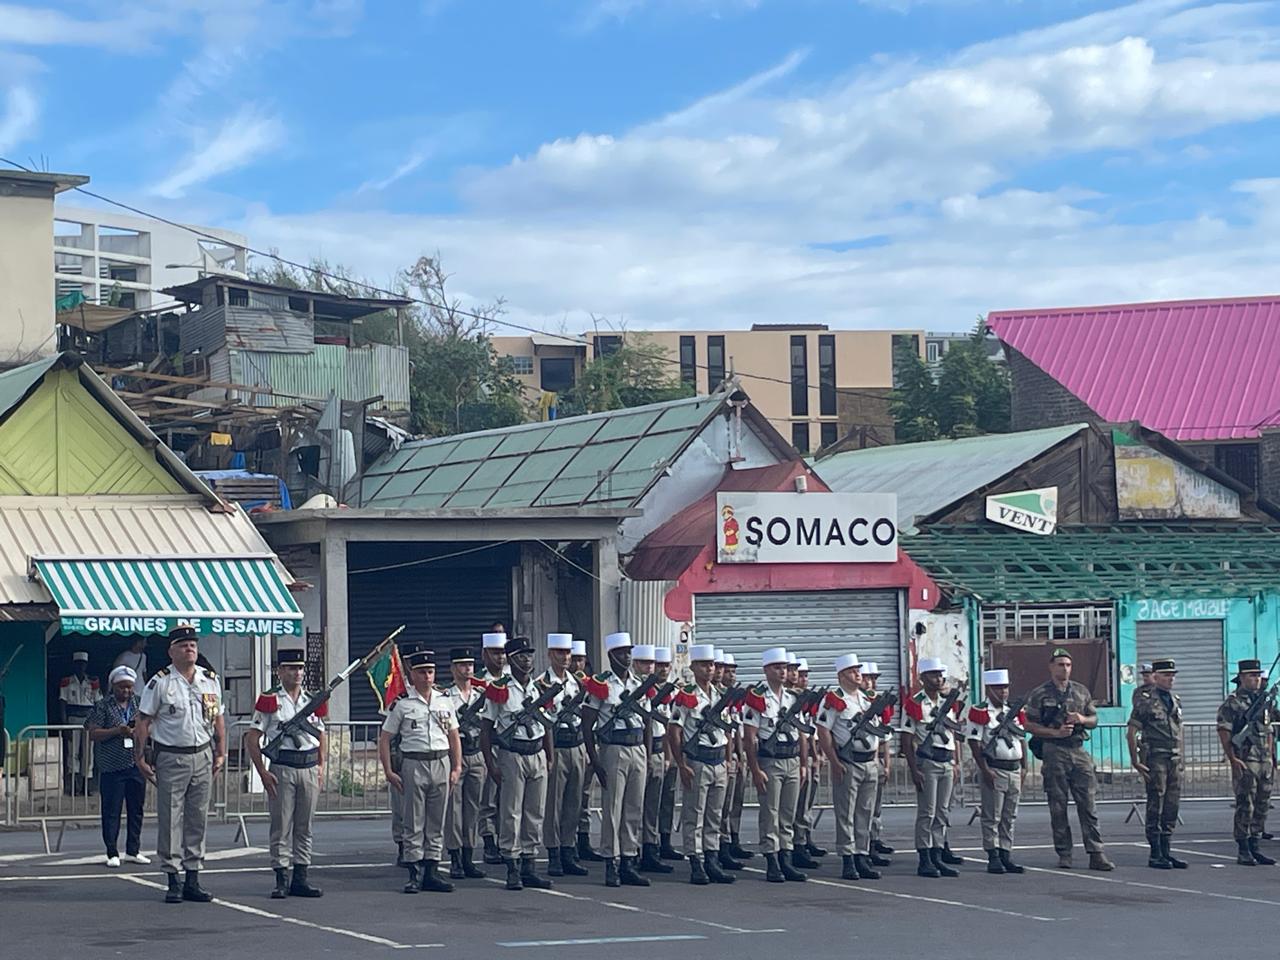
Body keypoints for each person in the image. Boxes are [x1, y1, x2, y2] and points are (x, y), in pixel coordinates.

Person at [134, 625, 226, 903]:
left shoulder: (209, 680)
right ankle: (173, 877)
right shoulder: (160, 682)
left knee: (198, 817)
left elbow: (217, 717)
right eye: (184, 645)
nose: (190, 649)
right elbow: (143, 720)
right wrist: (139, 756)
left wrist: (221, 751)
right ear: (171, 651)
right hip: (171, 756)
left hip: (202, 754)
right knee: (171, 818)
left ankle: (193, 877)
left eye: (193, 645)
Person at [245, 643, 327, 899]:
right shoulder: (270, 700)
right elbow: (252, 737)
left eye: (300, 668)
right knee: (281, 826)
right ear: (280, 671)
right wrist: (262, 771)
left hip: (308, 766)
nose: (297, 673)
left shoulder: (311, 700)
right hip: (283, 766)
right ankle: (281, 877)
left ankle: (301, 877)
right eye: (291, 668)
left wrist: (321, 765)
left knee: (305, 826)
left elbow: (321, 734)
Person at [1024, 647, 1115, 871]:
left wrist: (1081, 718)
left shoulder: (1081, 691)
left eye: (1067, 665)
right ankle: (1064, 853)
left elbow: (1094, 719)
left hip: (1078, 750)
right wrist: (1054, 733)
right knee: (1058, 805)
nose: (1064, 669)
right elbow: (1029, 724)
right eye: (1060, 664)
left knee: (1088, 804)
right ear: (1051, 667)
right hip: (1054, 750)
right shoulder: (1040, 693)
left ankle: (1096, 852)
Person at [379, 647, 461, 894]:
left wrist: (457, 766)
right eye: (422, 672)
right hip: (414, 763)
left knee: (436, 821)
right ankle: (414, 872)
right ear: (412, 674)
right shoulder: (402, 704)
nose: (427, 676)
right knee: (414, 821)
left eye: (431, 671)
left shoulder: (444, 700)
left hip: (440, 761)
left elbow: (453, 736)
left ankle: (432, 871)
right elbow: (385, 738)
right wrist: (389, 771)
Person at [482, 635, 555, 891]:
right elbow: (486, 729)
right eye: (521, 656)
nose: (527, 660)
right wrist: (491, 764)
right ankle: (512, 865)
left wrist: (549, 755)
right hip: (512, 753)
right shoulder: (500, 690)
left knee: (535, 812)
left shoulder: (539, 689)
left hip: (536, 752)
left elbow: (547, 725)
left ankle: (529, 864)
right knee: (511, 812)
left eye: (529, 656)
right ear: (511, 660)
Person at [582, 631, 650, 888]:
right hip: (613, 749)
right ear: (611, 656)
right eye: (621, 652)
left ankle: (629, 860)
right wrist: (595, 759)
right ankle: (611, 861)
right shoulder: (601, 684)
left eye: (629, 652)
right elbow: (587, 724)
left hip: (637, 747)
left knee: (634, 808)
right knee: (613, 809)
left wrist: (646, 751)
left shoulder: (639, 684)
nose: (627, 656)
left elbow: (647, 721)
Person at [668, 643, 734, 885]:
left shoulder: (720, 696)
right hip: (697, 760)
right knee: (694, 814)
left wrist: (728, 759)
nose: (710, 669)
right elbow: (674, 731)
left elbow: (727, 730)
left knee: (714, 815)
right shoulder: (686, 696)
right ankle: (695, 860)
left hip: (718, 759)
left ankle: (712, 858)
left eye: (712, 665)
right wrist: (681, 764)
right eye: (704, 665)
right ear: (694, 667)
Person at [816, 653, 884, 881]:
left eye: (858, 670)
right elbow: (823, 731)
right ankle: (848, 857)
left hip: (869, 761)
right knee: (846, 813)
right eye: (852, 671)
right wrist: (834, 761)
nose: (858, 674)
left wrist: (877, 757)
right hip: (849, 762)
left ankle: (862, 854)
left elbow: (878, 731)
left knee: (865, 812)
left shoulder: (867, 699)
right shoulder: (834, 700)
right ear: (841, 675)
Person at [742, 646, 808, 883]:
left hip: (791, 759)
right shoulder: (757, 698)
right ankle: (772, 860)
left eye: (785, 668)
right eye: (777, 668)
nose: (782, 672)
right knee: (770, 813)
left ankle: (786, 858)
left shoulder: (792, 698)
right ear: (766, 670)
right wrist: (755, 769)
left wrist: (803, 763)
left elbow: (802, 733)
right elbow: (749, 737)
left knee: (787, 813)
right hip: (770, 761)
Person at [903, 659, 963, 878]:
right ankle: (925, 857)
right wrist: (914, 769)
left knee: (942, 812)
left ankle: (938, 854)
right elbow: (907, 739)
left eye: (940, 675)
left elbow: (953, 734)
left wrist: (956, 762)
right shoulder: (915, 703)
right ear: (922, 678)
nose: (938, 679)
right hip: (927, 761)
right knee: (927, 812)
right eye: (933, 675)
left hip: (946, 760)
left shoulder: (947, 703)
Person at [536, 633, 589, 878]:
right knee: (553, 804)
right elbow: (544, 721)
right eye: (560, 652)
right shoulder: (541, 683)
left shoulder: (577, 683)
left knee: (574, 802)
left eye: (568, 652)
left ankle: (569, 849)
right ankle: (554, 853)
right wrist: (548, 754)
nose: (565, 657)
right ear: (550, 654)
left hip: (576, 744)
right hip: (556, 745)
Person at [85, 665, 148, 868]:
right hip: (112, 766)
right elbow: (93, 733)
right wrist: (116, 731)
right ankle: (112, 851)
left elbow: (150, 724)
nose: (126, 691)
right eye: (122, 687)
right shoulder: (103, 706)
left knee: (136, 809)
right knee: (112, 810)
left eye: (129, 687)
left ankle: (133, 850)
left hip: (135, 763)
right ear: (113, 686)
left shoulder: (139, 703)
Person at [1127, 658, 1186, 870]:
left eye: (1173, 675)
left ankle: (1166, 850)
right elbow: (1131, 731)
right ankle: (1155, 853)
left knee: (1172, 805)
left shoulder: (1175, 700)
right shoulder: (1145, 701)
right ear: (1156, 676)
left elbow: (1179, 731)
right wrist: (1135, 760)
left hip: (1174, 758)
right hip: (1156, 758)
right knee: (1156, 804)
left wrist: (1182, 757)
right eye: (1166, 675)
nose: (1171, 679)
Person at [965, 669, 1026, 875]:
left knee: (1010, 815)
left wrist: (1025, 766)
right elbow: (974, 742)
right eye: (999, 688)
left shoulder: (1013, 711)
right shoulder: (981, 712)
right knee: (992, 816)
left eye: (1005, 688)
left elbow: (1021, 739)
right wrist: (984, 769)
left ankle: (1006, 853)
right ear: (989, 689)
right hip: (995, 767)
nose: (1003, 692)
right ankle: (993, 854)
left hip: (1014, 768)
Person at [1217, 659, 1276, 866]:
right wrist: (1232, 758)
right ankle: (1243, 848)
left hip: (1263, 760)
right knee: (1245, 805)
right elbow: (1224, 730)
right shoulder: (1232, 703)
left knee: (1262, 804)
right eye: (1252, 675)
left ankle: (1255, 845)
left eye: (1258, 675)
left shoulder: (1263, 702)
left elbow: (1269, 731)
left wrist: (1271, 758)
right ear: (1241, 678)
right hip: (1246, 760)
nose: (1256, 679)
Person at [442, 647, 487, 880]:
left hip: (476, 752)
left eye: (470, 664)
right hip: (455, 755)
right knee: (454, 809)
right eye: (462, 665)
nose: (467, 669)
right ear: (452, 668)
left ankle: (469, 855)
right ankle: (455, 857)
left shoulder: (481, 695)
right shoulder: (446, 696)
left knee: (473, 807)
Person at [632, 644, 675, 874]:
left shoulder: (662, 692)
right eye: (647, 664)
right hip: (638, 749)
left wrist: (666, 756)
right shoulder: (634, 688)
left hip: (657, 749)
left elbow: (666, 727)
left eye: (654, 664)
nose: (653, 668)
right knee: (633, 806)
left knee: (652, 806)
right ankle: (631, 851)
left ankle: (650, 848)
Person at [569, 639, 604, 864]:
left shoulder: (593, 685)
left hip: (586, 743)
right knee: (567, 798)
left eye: (580, 660)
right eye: (574, 660)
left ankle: (584, 839)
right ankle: (566, 844)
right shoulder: (554, 685)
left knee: (585, 797)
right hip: (567, 743)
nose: (576, 664)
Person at [475, 631, 509, 865]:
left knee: (507, 797)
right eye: (495, 653)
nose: (500, 657)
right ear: (484, 654)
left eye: (503, 653)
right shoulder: (477, 682)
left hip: (510, 744)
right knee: (488, 796)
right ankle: (489, 841)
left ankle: (506, 840)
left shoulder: (512, 679)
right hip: (489, 741)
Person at [717, 653, 752, 862]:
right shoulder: (719, 697)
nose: (730, 675)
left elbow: (736, 728)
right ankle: (722, 843)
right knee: (723, 804)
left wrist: (740, 754)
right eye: (726, 671)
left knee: (736, 799)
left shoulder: (733, 697)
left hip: (737, 753)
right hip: (721, 754)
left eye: (732, 671)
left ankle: (733, 837)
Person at [791, 657, 824, 866]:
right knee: (795, 804)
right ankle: (797, 844)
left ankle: (805, 837)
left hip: (809, 754)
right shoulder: (791, 699)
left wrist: (816, 753)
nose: (801, 678)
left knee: (807, 802)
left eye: (804, 675)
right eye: (798, 673)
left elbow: (811, 729)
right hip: (794, 755)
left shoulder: (805, 699)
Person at [862, 663, 894, 863]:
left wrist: (887, 764)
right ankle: (864, 846)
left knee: (876, 806)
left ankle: (874, 839)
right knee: (863, 808)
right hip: (863, 759)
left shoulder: (878, 702)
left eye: (874, 678)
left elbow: (885, 736)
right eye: (868, 678)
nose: (871, 682)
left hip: (877, 759)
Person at [654, 646, 684, 862]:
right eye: (659, 665)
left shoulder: (675, 693)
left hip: (671, 750)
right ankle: (648, 842)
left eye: (666, 665)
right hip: (653, 748)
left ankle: (665, 840)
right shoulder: (646, 691)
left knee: (668, 798)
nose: (663, 669)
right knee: (650, 800)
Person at [59, 650, 99, 795]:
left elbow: (98, 703)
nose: (80, 667)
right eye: (78, 664)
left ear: (86, 665)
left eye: (83, 664)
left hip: (89, 719)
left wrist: (96, 722)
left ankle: (86, 786)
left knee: (88, 753)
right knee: (73, 753)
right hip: (73, 718)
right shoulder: (66, 682)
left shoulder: (93, 682)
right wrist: (65, 725)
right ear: (74, 665)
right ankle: (74, 786)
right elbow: (62, 704)